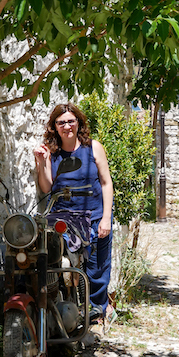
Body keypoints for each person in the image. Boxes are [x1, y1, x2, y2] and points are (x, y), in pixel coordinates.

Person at [34, 102, 114, 323]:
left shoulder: (93, 147)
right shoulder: (51, 152)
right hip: (64, 219)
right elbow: (46, 187)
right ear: (54, 127)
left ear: (78, 123)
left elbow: (106, 183)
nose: (67, 126)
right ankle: (68, 309)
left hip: (95, 215)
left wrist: (106, 217)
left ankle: (96, 314)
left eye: (71, 121)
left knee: (97, 268)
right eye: (61, 122)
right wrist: (41, 163)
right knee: (58, 262)